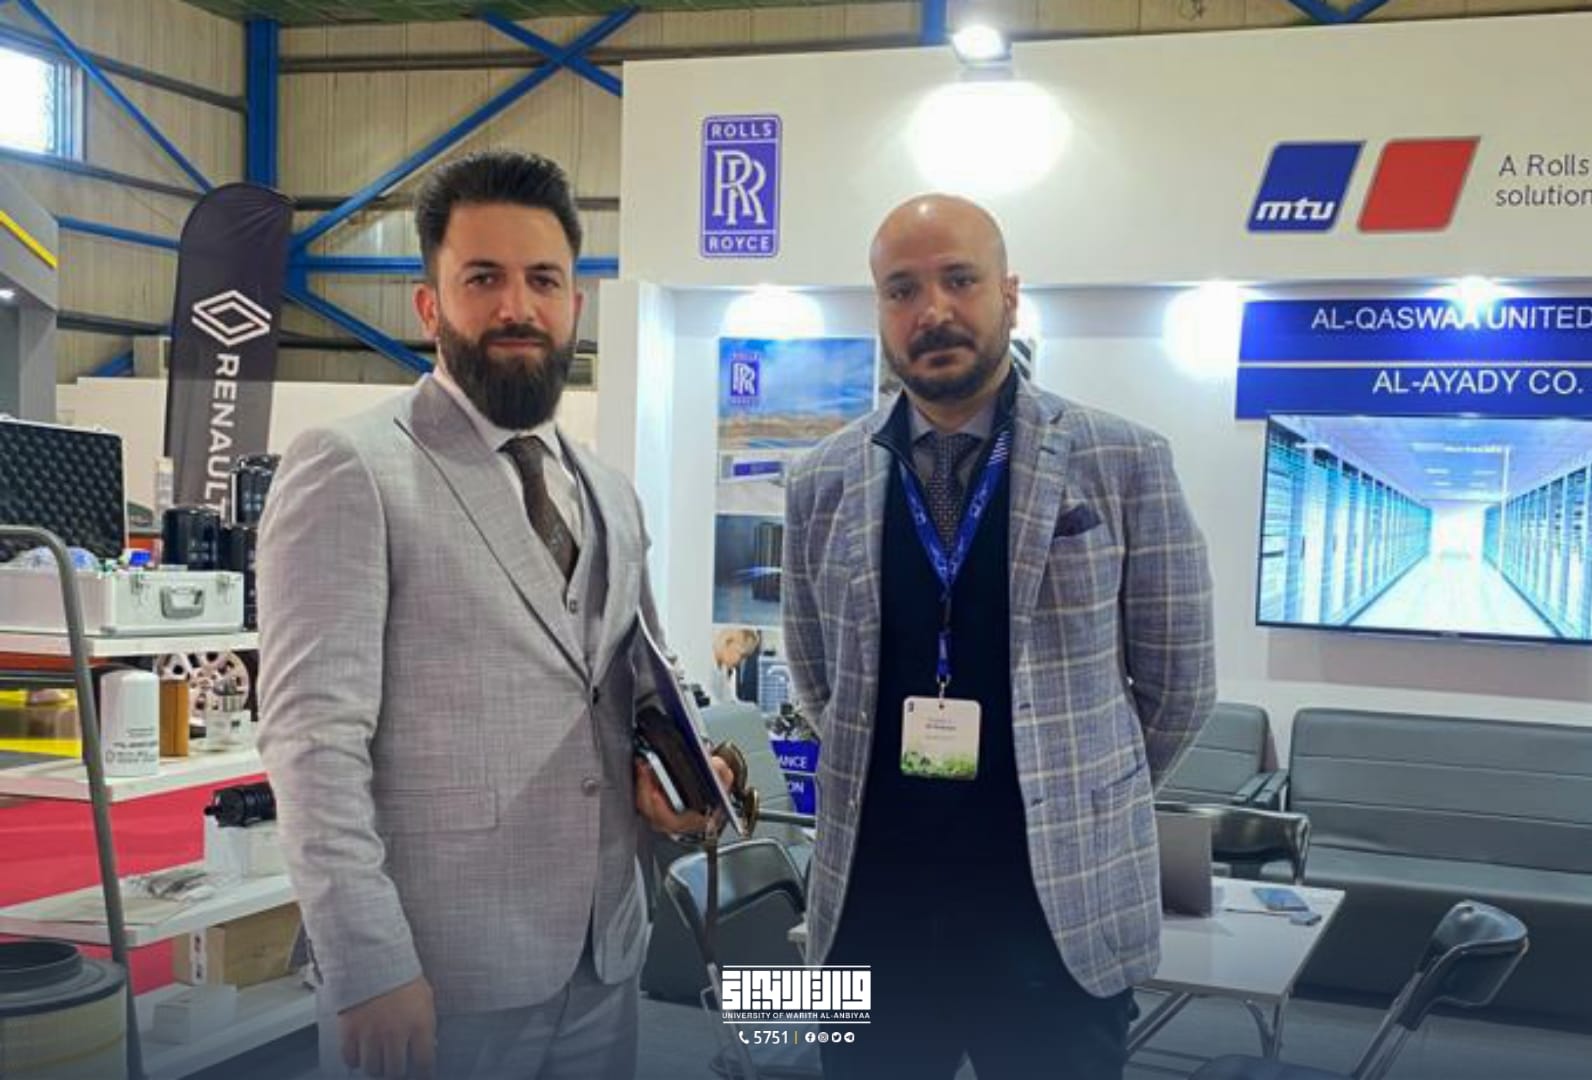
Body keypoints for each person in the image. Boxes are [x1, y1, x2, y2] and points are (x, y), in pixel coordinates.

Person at [257, 150, 725, 1080]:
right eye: (483, 279)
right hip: (436, 973)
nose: (518, 306)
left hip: (603, 953)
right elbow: (313, 738)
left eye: (542, 280)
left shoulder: (608, 491)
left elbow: (639, 684)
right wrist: (368, 963)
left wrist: (683, 776)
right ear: (429, 306)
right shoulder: (352, 468)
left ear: (574, 304)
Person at [781, 194, 1217, 1080]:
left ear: (1008, 296)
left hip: (1052, 916)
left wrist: (1084, 791)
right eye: (902, 289)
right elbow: (816, 675)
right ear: (879, 310)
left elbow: (1179, 683)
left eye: (959, 280)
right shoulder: (820, 480)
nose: (932, 310)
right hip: (874, 908)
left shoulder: (1122, 461)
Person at [711, 627, 762, 703]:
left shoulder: (722, 670)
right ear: (728, 642)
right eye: (742, 656)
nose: (741, 662)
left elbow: (727, 701)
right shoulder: (706, 668)